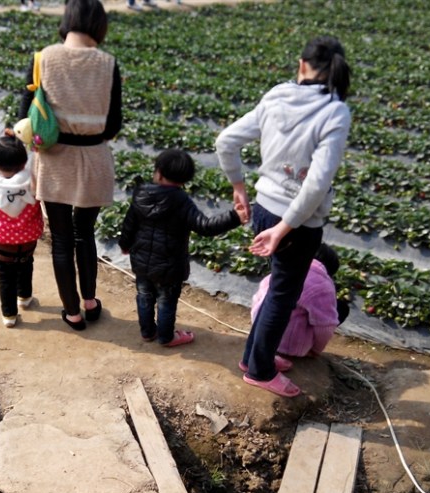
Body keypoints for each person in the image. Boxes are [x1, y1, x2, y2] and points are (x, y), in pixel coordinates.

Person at [215, 36, 352, 397]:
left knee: (278, 289)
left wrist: (239, 188)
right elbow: (317, 183)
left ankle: (253, 358)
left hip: (264, 209)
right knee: (282, 295)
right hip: (298, 223)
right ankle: (259, 370)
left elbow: (225, 141)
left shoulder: (278, 95)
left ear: (302, 64)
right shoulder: (335, 111)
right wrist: (285, 228)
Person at [17, 0, 122, 332]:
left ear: (68, 20)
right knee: (85, 233)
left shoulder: (42, 59)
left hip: (54, 160)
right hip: (94, 159)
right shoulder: (108, 64)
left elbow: (26, 115)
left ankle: (73, 312)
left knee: (61, 239)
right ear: (99, 25)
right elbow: (113, 124)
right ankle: (91, 302)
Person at [118, 149, 248, 346]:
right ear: (185, 179)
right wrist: (233, 217)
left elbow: (129, 224)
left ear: (158, 173)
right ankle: (166, 337)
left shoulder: (141, 194)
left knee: (144, 296)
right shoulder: (182, 201)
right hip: (170, 267)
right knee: (166, 301)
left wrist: (124, 245)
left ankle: (147, 332)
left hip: (142, 262)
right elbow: (205, 226)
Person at [0, 134, 44, 328]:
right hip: (29, 236)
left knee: (5, 276)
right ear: (23, 163)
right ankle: (25, 297)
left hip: (1, 239)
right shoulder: (32, 178)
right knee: (26, 263)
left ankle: (9, 315)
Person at [250, 243, 350, 358]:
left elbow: (256, 301)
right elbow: (326, 326)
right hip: (290, 347)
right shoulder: (323, 287)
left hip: (260, 337)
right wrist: (316, 350)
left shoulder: (281, 270)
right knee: (340, 308)